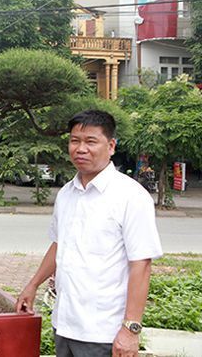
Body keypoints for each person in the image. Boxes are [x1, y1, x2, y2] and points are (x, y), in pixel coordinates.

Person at [15, 110, 162, 357]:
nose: (81, 149)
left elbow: (141, 265)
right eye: (75, 140)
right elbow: (59, 245)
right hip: (64, 325)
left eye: (91, 141)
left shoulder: (131, 197)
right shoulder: (66, 194)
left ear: (111, 146)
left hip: (103, 332)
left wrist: (131, 329)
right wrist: (32, 285)